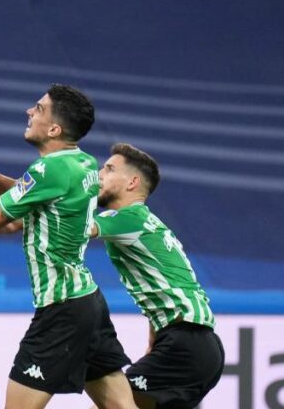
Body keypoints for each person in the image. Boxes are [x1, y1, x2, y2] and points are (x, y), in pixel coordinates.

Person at [0, 85, 135, 409]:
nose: (29, 112)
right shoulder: (83, 162)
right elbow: (18, 195)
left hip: (61, 310)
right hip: (88, 302)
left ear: (54, 129)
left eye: (39, 109)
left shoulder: (50, 170)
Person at [90, 143, 224, 409]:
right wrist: (154, 341)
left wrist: (29, 195)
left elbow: (71, 229)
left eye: (109, 169)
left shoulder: (128, 218)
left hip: (185, 345)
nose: (99, 174)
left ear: (132, 182)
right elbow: (167, 284)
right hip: (201, 346)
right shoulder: (148, 222)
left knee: (110, 403)